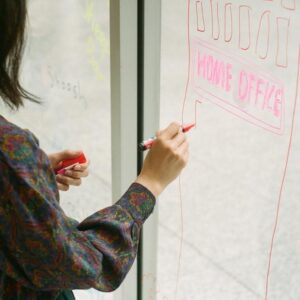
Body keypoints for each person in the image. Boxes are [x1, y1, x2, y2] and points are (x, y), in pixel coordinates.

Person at [0, 1, 189, 300]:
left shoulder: (11, 159)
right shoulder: (8, 153)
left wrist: (31, 175)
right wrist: (150, 182)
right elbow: (88, 262)